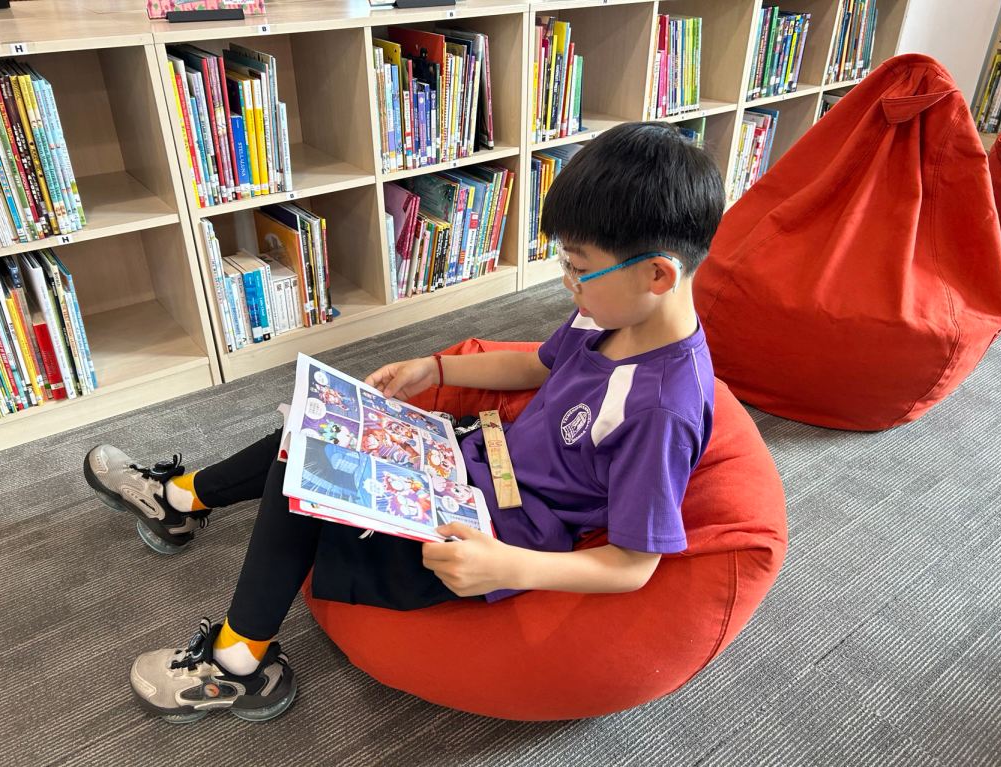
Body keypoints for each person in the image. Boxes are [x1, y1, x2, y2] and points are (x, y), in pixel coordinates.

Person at [83, 121, 725, 723]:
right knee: (313, 428)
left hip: (490, 534)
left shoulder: (660, 408)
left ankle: (240, 662)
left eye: (579, 269)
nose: (567, 284)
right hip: (470, 462)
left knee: (298, 473)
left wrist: (508, 568)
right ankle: (180, 499)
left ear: (657, 274)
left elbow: (634, 565)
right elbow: (539, 363)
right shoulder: (608, 314)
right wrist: (434, 369)